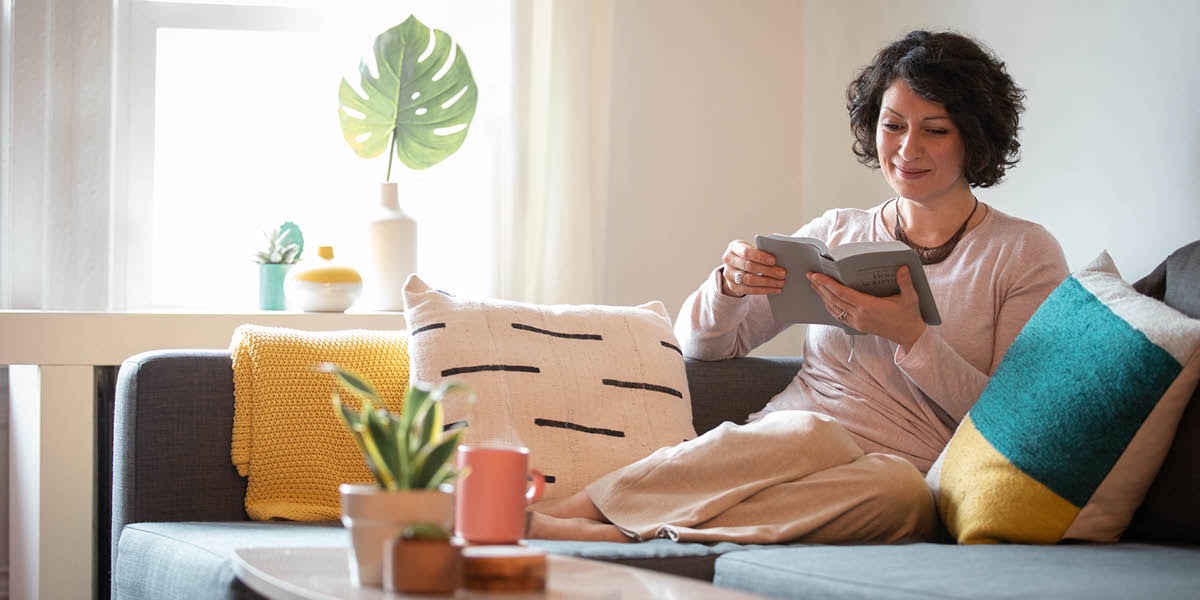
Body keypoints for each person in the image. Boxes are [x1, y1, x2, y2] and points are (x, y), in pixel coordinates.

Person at [527, 30, 1069, 545]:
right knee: (813, 433)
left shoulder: (1023, 253)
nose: (906, 150)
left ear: (974, 139)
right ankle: (570, 515)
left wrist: (913, 338)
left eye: (935, 129)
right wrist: (728, 289)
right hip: (789, 444)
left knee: (903, 494)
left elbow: (1014, 422)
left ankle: (622, 530)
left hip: (901, 471)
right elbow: (703, 349)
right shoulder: (834, 233)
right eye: (892, 125)